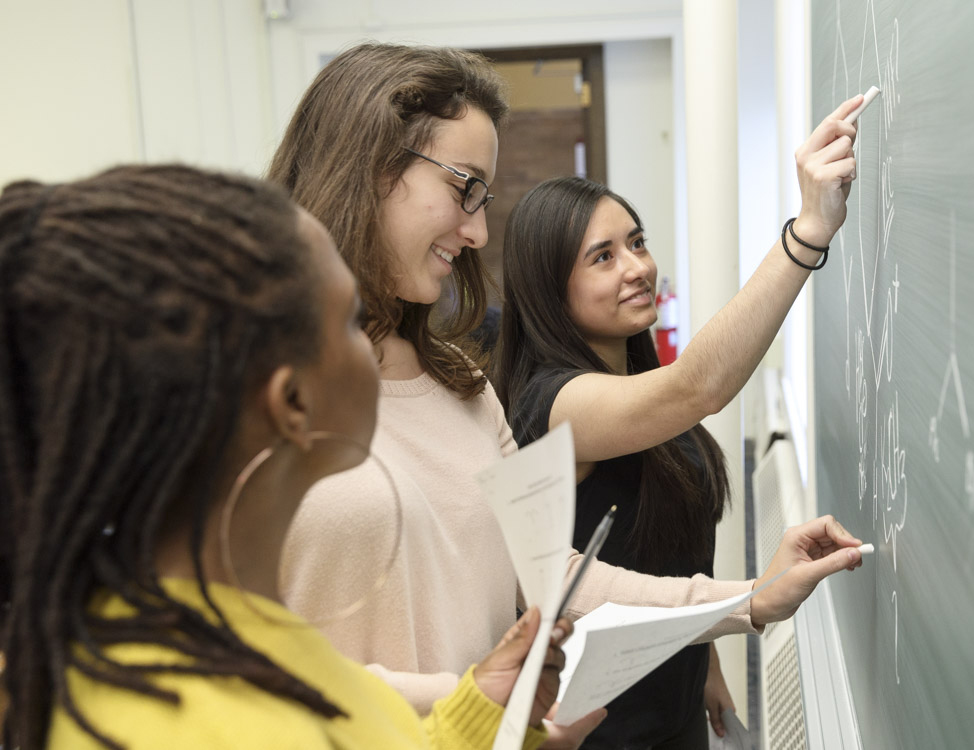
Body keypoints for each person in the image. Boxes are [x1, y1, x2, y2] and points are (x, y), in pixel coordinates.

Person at [268, 41, 866, 744]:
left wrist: (751, 599)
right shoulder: (251, 386)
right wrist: (476, 701)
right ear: (369, 164)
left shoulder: (458, 387)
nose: (477, 230)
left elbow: (554, 575)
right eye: (463, 188)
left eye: (482, 198)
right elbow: (242, 651)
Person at [0, 164, 571, 750]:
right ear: (293, 402)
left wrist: (484, 714)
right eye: (351, 319)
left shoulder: (233, 646)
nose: (381, 337)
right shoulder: (202, 723)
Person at [494, 97, 865, 748]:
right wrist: (809, 228)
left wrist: (705, 664)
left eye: (635, 243)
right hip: (598, 727)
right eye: (601, 257)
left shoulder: (631, 380)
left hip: (674, 696)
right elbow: (699, 386)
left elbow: (664, 551)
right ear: (549, 288)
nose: (637, 267)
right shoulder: (548, 405)